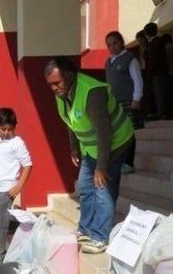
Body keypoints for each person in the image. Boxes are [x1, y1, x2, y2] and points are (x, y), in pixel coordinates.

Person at [44, 56, 135, 254]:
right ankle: (85, 229)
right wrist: (74, 147)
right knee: (85, 187)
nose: (54, 88)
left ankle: (100, 237)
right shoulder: (63, 94)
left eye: (57, 83)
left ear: (70, 75)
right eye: (50, 84)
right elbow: (70, 121)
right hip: (91, 148)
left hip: (115, 143)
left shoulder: (92, 92)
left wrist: (101, 167)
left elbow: (104, 132)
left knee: (103, 189)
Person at [0, 108, 33, 265]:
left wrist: (19, 186)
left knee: (0, 227)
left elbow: (27, 164)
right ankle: (14, 225)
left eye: (10, 129)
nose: (6, 132)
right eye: (3, 129)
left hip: (6, 190)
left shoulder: (17, 143)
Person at [105, 31, 144, 175]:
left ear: (122, 42)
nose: (112, 47)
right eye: (109, 45)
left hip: (128, 101)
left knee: (128, 132)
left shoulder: (130, 59)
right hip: (114, 103)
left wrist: (136, 98)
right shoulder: (108, 62)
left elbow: (137, 79)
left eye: (115, 43)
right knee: (118, 133)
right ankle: (119, 161)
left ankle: (128, 163)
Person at [142, 22, 172, 120]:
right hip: (160, 72)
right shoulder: (158, 42)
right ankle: (162, 113)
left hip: (157, 72)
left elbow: (152, 59)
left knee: (160, 94)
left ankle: (162, 113)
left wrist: (149, 72)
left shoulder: (154, 43)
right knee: (160, 93)